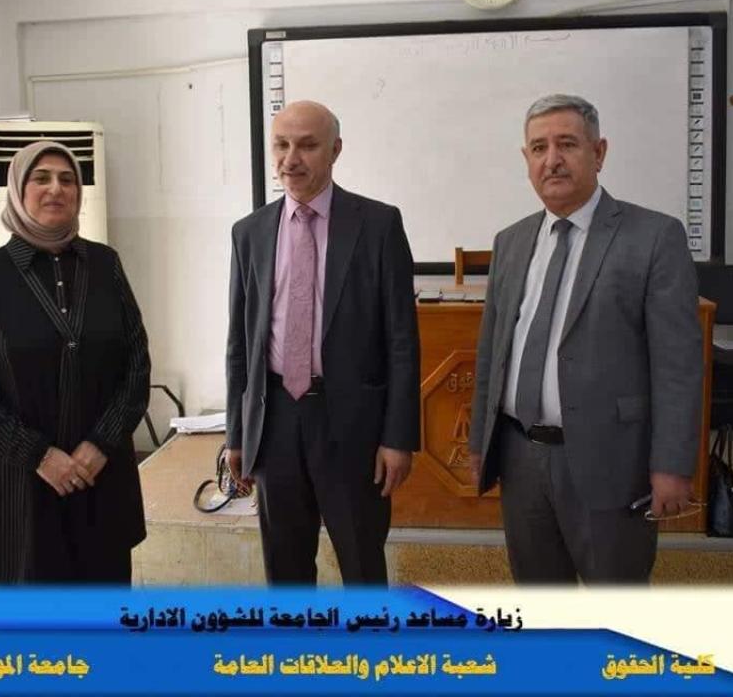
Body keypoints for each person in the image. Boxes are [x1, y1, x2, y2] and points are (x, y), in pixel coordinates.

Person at [467, 94, 702, 584]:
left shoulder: (654, 237)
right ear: (526, 159)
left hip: (612, 461)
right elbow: (492, 353)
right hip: (521, 458)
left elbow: (677, 367)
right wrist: (479, 444)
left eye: (567, 144)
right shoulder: (511, 241)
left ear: (599, 152)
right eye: (538, 148)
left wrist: (672, 465)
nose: (552, 159)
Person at [225, 100, 420, 585]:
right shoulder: (249, 233)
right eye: (281, 145)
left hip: (352, 424)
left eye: (307, 146)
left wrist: (398, 437)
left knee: (361, 566)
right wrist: (236, 434)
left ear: (335, 150)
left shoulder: (377, 225)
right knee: (285, 571)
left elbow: (402, 340)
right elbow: (239, 343)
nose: (291, 159)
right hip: (274, 421)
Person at [0, 140, 150, 584]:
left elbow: (136, 363)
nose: (56, 189)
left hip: (99, 473)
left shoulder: (106, 265)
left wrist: (101, 443)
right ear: (18, 190)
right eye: (41, 178)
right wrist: (39, 456)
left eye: (67, 179)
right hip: (20, 481)